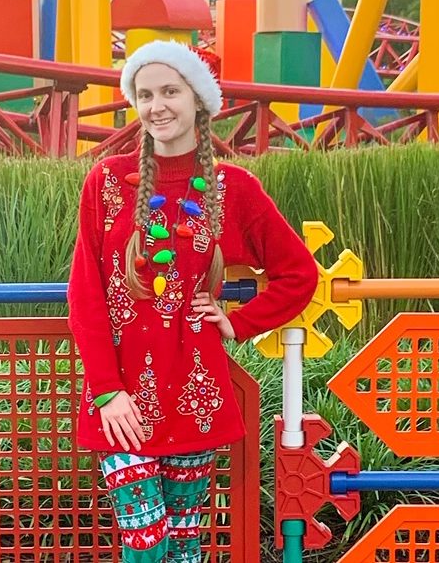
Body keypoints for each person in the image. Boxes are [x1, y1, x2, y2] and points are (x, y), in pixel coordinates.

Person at [67, 40, 319, 563]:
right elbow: (85, 292)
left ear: (198, 101)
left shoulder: (233, 189)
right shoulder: (106, 181)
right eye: (143, 94)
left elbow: (299, 274)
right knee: (145, 543)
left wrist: (239, 322)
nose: (156, 105)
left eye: (169, 91)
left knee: (184, 546)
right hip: (122, 402)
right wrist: (107, 391)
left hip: (193, 394)